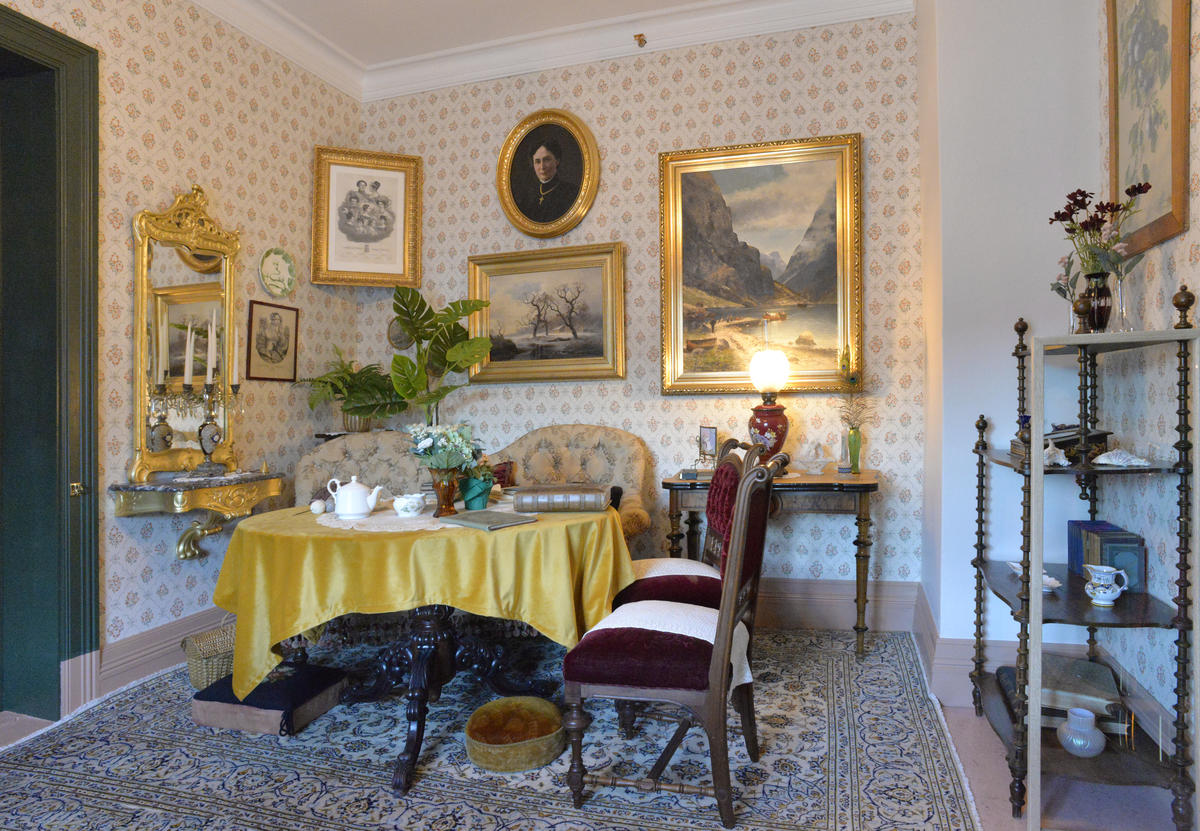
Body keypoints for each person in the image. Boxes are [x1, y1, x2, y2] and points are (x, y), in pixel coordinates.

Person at [515, 138, 578, 223]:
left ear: (557, 161)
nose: (542, 167)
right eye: (537, 161)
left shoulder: (572, 193)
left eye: (547, 160)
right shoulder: (527, 196)